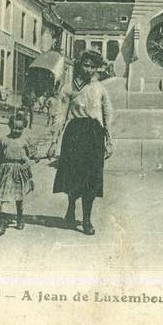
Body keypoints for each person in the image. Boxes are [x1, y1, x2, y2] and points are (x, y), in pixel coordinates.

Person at [53, 51, 114, 236]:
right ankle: (71, 208)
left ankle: (86, 219)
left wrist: (109, 139)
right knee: (73, 175)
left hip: (94, 135)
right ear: (80, 65)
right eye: (85, 65)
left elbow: (107, 113)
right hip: (74, 134)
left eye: (92, 66)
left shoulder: (100, 88)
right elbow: (60, 112)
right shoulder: (69, 87)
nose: (88, 69)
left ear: (97, 68)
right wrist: (54, 139)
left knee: (91, 178)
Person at [0, 114, 38, 236]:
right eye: (14, 128)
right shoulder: (3, 140)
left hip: (20, 170)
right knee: (4, 197)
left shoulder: (25, 141)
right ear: (9, 126)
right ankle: (2, 223)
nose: (16, 130)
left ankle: (20, 217)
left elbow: (32, 155)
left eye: (19, 128)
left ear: (24, 128)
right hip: (6, 171)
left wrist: (30, 161)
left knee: (19, 196)